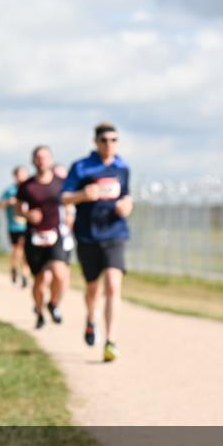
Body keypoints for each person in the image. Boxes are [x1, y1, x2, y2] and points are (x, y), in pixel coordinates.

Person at [61, 122, 132, 362]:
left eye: (114, 140)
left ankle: (110, 341)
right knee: (93, 288)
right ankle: (91, 319)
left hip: (115, 233)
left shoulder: (122, 167)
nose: (109, 145)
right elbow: (64, 197)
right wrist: (82, 195)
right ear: (95, 142)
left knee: (113, 284)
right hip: (88, 235)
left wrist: (127, 206)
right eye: (104, 140)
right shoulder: (81, 167)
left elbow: (126, 196)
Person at [17, 145, 70, 329]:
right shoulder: (26, 186)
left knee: (60, 273)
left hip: (56, 235)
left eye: (45, 157)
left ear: (51, 159)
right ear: (33, 160)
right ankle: (39, 312)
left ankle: (53, 303)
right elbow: (18, 209)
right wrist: (27, 215)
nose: (42, 161)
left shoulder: (61, 182)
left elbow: (69, 202)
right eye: (38, 157)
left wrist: (70, 215)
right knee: (40, 281)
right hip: (35, 237)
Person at [0, 165, 30, 287]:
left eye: (24, 174)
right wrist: (8, 202)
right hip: (15, 226)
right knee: (18, 249)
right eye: (19, 174)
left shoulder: (31, 188)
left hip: (29, 225)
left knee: (27, 250)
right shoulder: (10, 190)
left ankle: (25, 274)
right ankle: (14, 268)